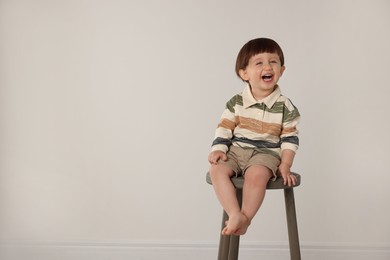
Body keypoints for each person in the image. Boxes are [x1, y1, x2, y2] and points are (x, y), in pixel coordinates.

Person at [208, 38, 300, 236]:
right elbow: (224, 127)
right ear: (244, 73)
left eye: (273, 62)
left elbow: (290, 139)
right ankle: (235, 213)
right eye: (259, 63)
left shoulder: (285, 106)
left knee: (256, 175)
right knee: (216, 170)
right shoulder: (236, 102)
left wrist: (285, 165)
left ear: (281, 70)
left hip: (266, 153)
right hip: (236, 150)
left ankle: (246, 218)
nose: (267, 66)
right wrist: (218, 149)